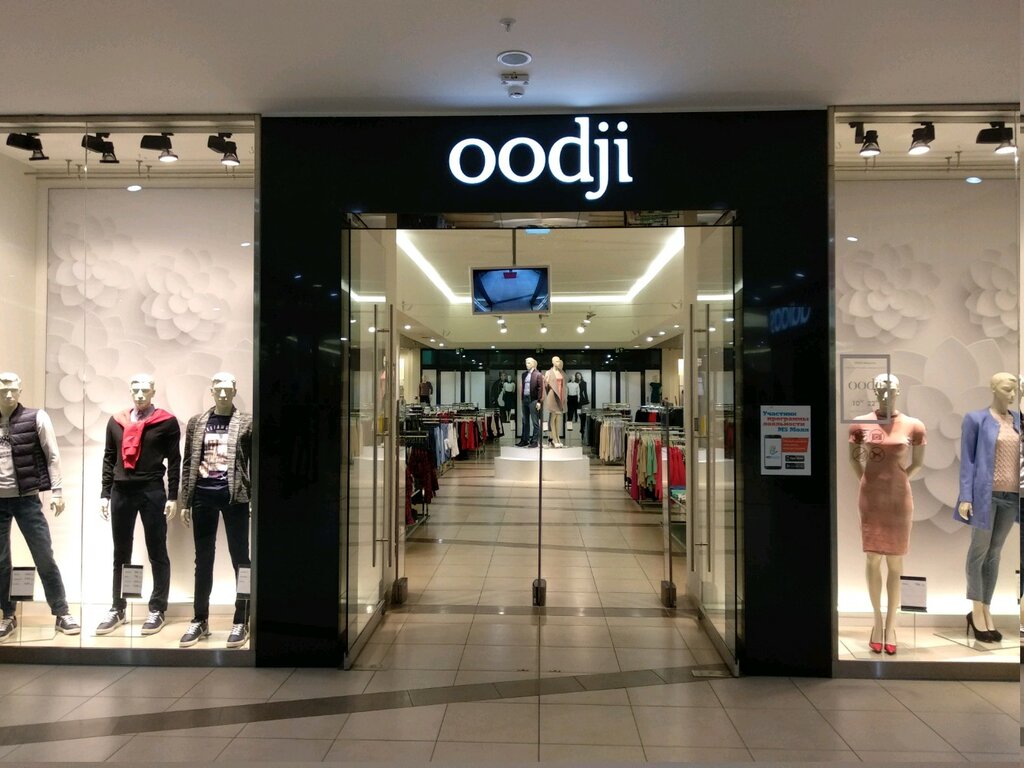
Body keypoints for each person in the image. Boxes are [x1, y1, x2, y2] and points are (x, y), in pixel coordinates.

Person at [848, 374, 925, 655]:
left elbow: (917, 463)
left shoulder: (914, 425)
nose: (886, 394)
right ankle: (877, 621)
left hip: (898, 499)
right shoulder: (861, 422)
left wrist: (900, 479)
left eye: (890, 389)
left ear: (899, 391)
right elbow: (853, 457)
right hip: (871, 499)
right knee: (872, 557)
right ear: (874, 391)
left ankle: (891, 625)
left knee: (895, 561)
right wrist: (867, 481)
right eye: (881, 389)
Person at [97, 374, 180, 637]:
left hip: (151, 490)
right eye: (136, 390)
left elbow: (175, 460)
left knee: (157, 550)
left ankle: (157, 608)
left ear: (153, 391)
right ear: (130, 392)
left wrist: (173, 496)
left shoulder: (166, 422)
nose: (141, 394)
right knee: (121, 552)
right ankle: (118, 607)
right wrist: (104, 493)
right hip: (121, 490)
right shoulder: (116, 421)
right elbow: (109, 457)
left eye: (145, 390)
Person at [0, 372, 80, 641]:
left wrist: (57, 492)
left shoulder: (36, 417)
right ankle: (7, 614)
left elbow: (52, 454)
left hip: (27, 499)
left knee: (44, 555)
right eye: (3, 390)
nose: (8, 394)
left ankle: (62, 611)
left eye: (13, 389)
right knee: (1, 561)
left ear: (20, 390)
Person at [178, 373, 253, 649]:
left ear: (235, 391)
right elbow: (189, 462)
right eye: (218, 389)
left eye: (227, 389)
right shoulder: (197, 422)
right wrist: (186, 501)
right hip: (203, 496)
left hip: (235, 497)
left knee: (241, 559)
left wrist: (253, 497)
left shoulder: (246, 422)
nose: (222, 394)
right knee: (203, 559)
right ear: (211, 391)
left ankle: (242, 618)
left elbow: (254, 462)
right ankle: (200, 618)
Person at [956, 371, 1020, 643]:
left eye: (1015, 390)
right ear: (994, 389)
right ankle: (976, 610)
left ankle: (986, 607)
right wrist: (966, 496)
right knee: (979, 551)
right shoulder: (976, 419)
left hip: (1012, 496)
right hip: (985, 495)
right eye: (1006, 389)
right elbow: (968, 460)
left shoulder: (1018, 420)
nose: (1012, 394)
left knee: (995, 553)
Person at [517, 359, 544, 448]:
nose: (527, 364)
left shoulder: (538, 374)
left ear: (533, 364)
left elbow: (540, 388)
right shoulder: (524, 374)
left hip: (533, 400)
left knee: (535, 421)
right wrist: (522, 398)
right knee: (525, 421)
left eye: (528, 363)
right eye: (526, 363)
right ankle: (525, 440)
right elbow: (523, 387)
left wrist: (539, 401)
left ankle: (535, 441)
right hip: (524, 399)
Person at [544, 357, 566, 448]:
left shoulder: (561, 372)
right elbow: (545, 387)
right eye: (556, 361)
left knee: (558, 418)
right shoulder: (548, 372)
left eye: (559, 361)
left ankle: (557, 438)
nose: (558, 362)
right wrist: (546, 381)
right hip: (553, 395)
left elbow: (564, 385)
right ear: (553, 362)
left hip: (560, 395)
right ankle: (554, 439)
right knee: (553, 418)